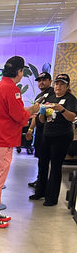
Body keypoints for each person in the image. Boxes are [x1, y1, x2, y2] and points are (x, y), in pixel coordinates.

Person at [0, 56, 38, 228]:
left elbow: (7, 111)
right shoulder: (12, 89)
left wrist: (27, 111)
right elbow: (18, 116)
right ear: (19, 71)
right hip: (3, 140)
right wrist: (32, 110)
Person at [29, 73, 77, 206]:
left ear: (67, 87)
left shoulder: (70, 99)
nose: (58, 87)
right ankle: (40, 191)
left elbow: (72, 117)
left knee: (55, 166)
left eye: (62, 84)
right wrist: (42, 114)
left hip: (62, 136)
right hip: (47, 134)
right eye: (57, 84)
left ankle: (52, 198)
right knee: (42, 163)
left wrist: (62, 110)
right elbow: (42, 119)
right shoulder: (50, 97)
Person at [25, 72, 54, 188]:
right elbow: (35, 115)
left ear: (50, 81)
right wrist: (30, 130)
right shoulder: (39, 96)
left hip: (49, 131)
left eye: (44, 80)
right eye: (39, 80)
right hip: (40, 131)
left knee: (45, 159)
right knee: (41, 158)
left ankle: (44, 184)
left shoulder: (53, 94)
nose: (41, 82)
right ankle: (40, 180)